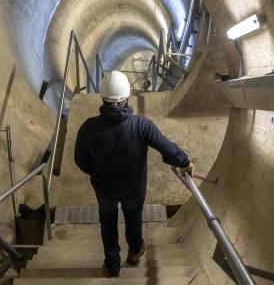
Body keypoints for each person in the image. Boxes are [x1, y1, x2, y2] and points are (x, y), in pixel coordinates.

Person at [74, 70, 194, 278]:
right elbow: (167, 148)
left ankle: (112, 265)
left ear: (102, 98)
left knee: (107, 223)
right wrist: (185, 162)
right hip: (133, 188)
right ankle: (135, 252)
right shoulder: (141, 125)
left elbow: (80, 159)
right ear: (127, 98)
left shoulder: (88, 128)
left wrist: (96, 173)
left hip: (105, 190)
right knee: (133, 218)